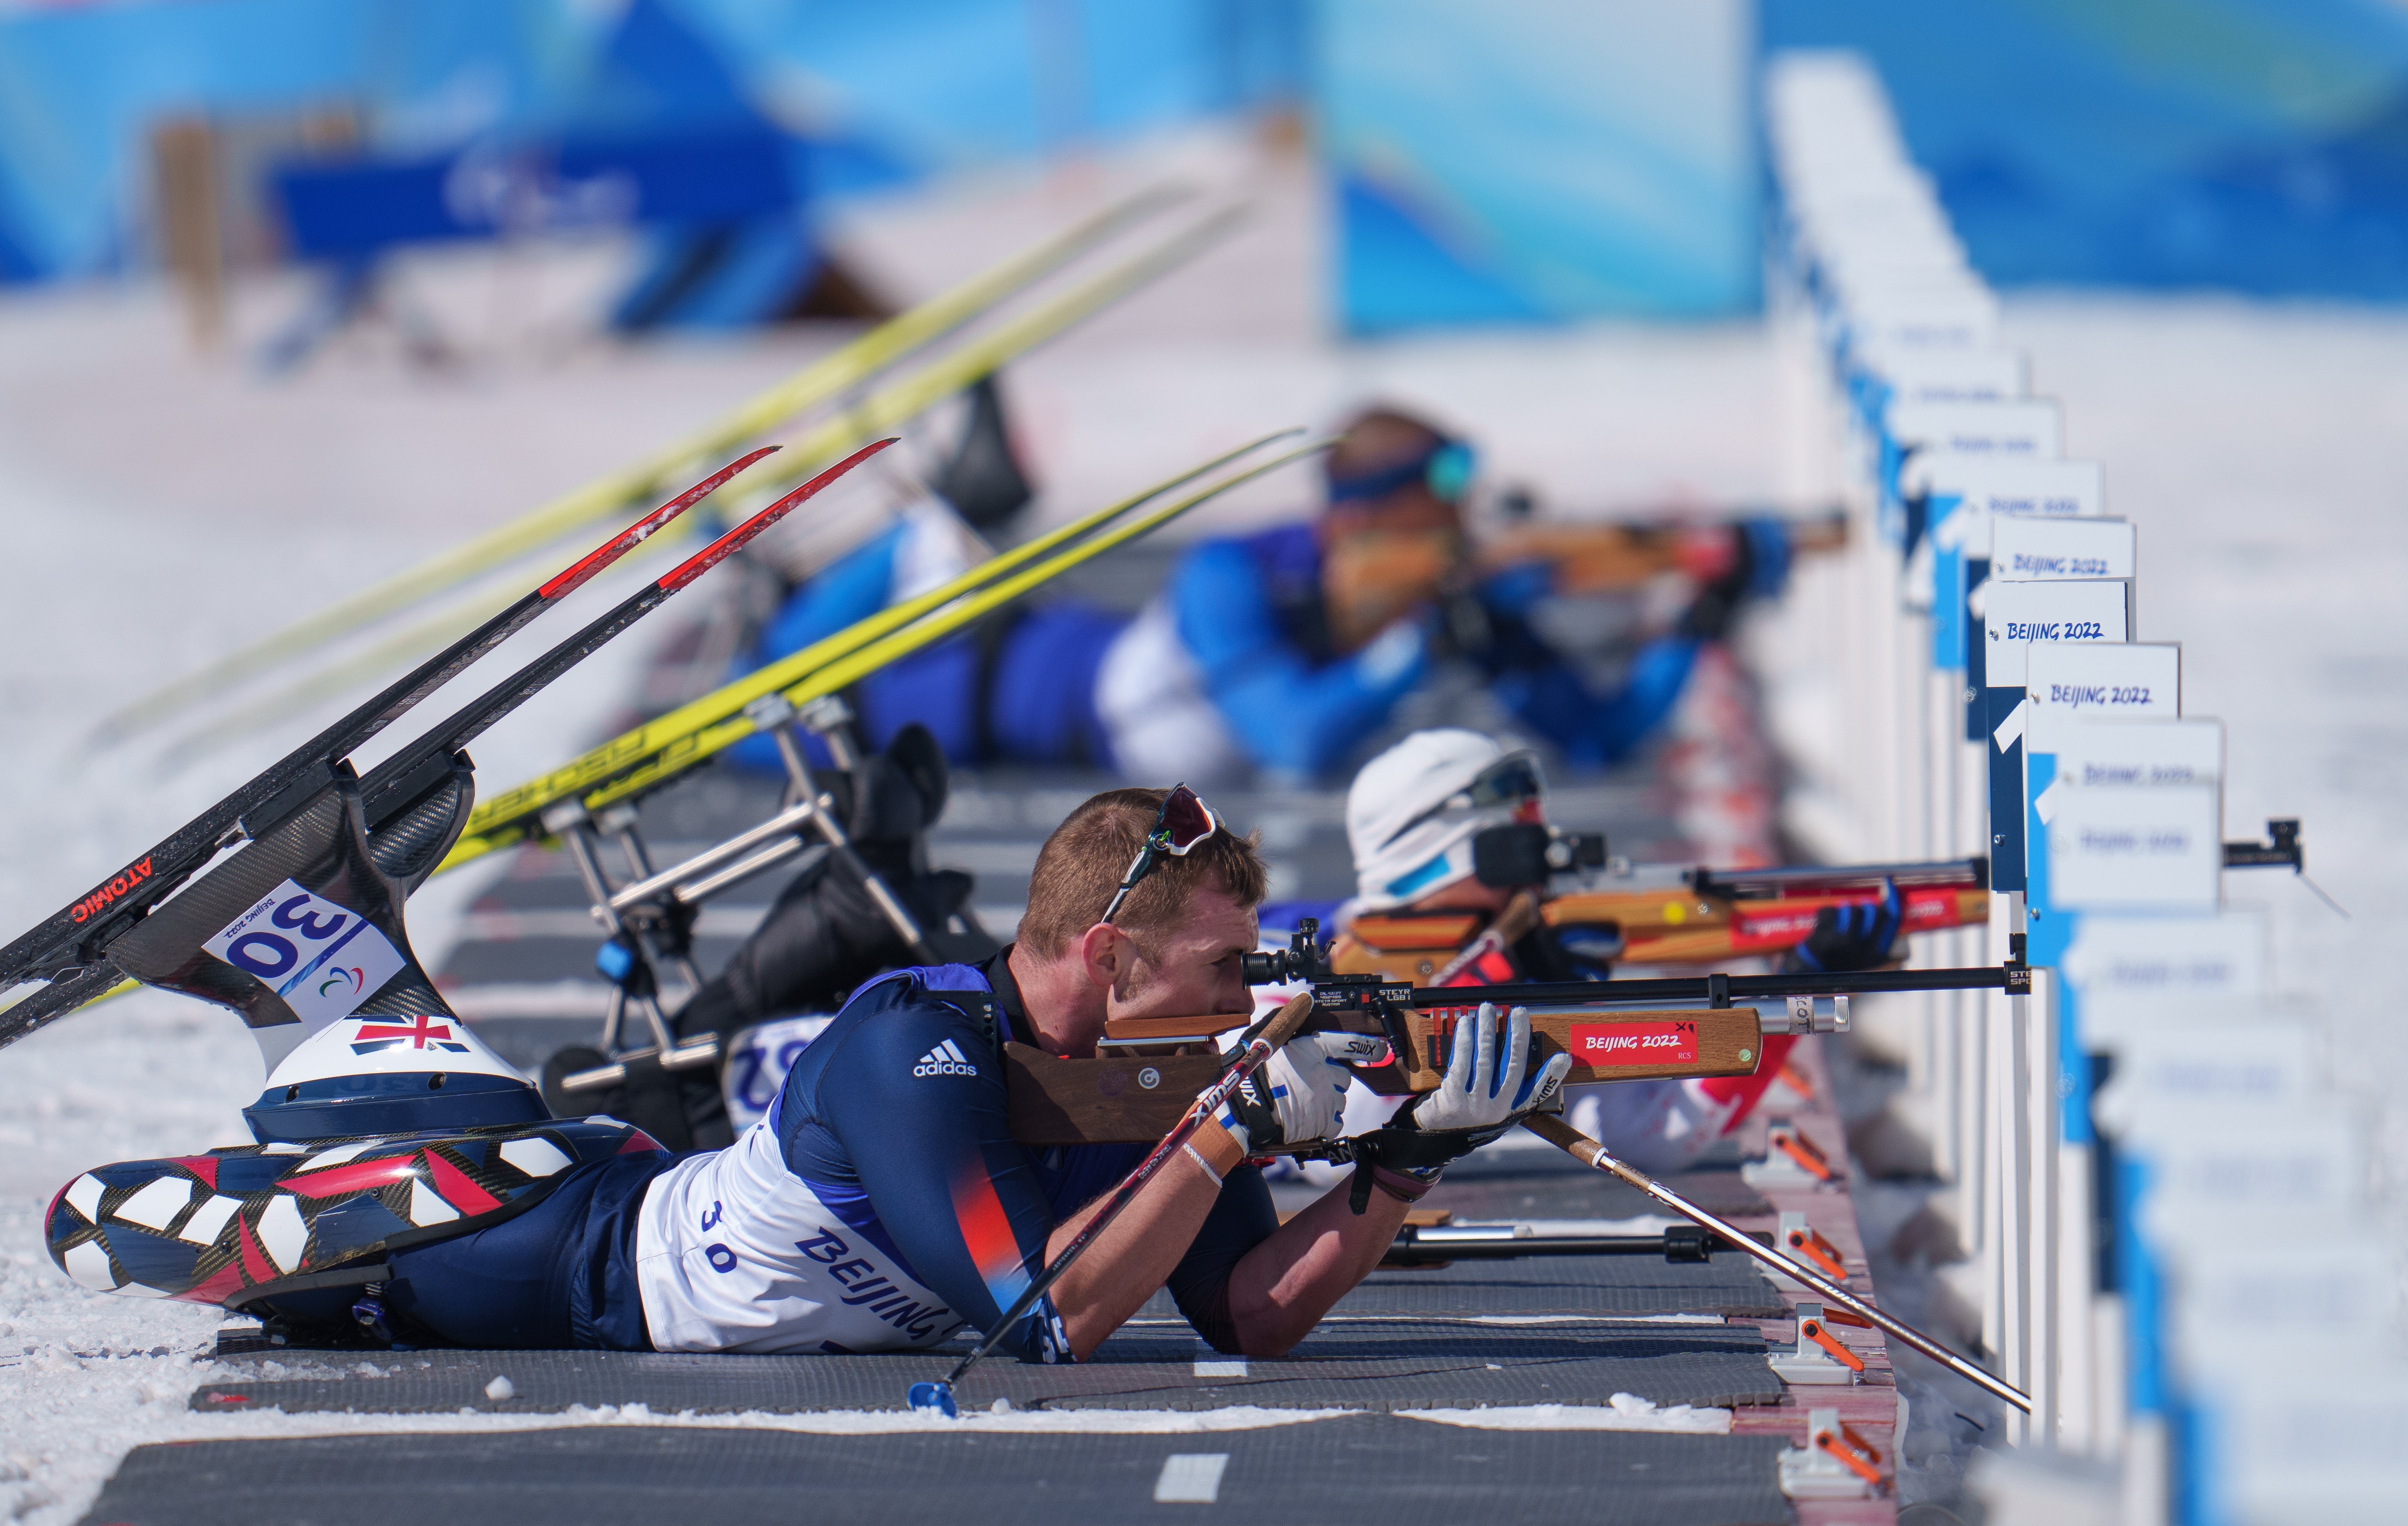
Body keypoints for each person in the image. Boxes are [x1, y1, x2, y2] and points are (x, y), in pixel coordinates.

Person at [206, 786, 1571, 1357]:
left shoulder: (1163, 1074)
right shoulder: (921, 1046)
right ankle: (274, 930)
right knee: (320, 1210)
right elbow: (1045, 1316)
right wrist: (1230, 1131)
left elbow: (1244, 1314)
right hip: (566, 1263)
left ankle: (331, 937)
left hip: (598, 1191)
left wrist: (1400, 1166)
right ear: (1110, 958)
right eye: (1224, 967)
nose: (1248, 997)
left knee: (398, 1106)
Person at [726, 401, 1786, 785]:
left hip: (969, 727)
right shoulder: (1230, 572)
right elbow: (1295, 743)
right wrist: (1412, 650)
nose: (1456, 537)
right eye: (1431, 514)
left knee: (784, 690)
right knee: (750, 709)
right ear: (1360, 522)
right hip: (965, 683)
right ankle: (911, 533)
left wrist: (1699, 616)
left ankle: (860, 566)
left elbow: (1599, 735)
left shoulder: (1431, 594)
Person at [1278, 728, 1900, 1169]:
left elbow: (1656, 1134)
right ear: (1442, 852)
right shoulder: (1311, 967)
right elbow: (1331, 1148)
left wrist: (1792, 987)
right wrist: (1504, 976)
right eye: (1514, 839)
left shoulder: (1540, 941)